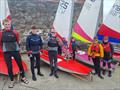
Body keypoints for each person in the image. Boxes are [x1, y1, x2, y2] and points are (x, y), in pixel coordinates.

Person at [0, 19, 29, 88]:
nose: (7, 26)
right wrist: (3, 50)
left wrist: (16, 49)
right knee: (9, 67)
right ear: (3, 25)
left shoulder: (15, 32)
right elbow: (0, 43)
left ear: (10, 24)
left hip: (15, 51)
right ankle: (12, 80)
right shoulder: (1, 33)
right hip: (6, 52)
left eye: (8, 24)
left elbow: (17, 41)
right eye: (6, 24)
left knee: (20, 64)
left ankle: (23, 77)